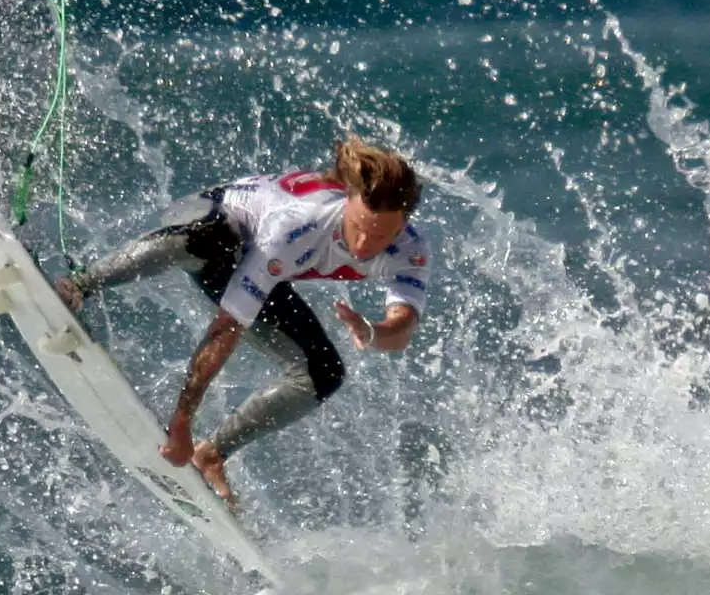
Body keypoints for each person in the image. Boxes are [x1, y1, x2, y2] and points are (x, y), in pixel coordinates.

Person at [54, 135, 433, 506]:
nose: (366, 245)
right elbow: (226, 328)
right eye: (360, 227)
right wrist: (182, 421)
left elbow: (401, 331)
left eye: (383, 234)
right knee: (211, 238)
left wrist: (372, 331)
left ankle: (212, 454)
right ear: (347, 202)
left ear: (403, 226)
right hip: (212, 221)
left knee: (323, 372)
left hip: (256, 261)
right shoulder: (298, 226)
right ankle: (79, 286)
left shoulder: (409, 251)